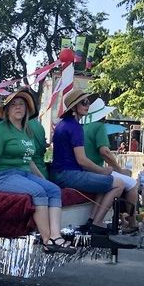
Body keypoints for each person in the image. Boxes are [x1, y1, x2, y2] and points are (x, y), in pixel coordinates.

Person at [0, 89, 75, 254]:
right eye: (13, 104)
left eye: (21, 104)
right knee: (38, 191)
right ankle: (47, 240)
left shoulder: (27, 130)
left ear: (27, 109)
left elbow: (29, 162)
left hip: (23, 173)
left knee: (53, 189)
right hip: (0, 175)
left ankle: (56, 236)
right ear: (7, 110)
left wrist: (44, 179)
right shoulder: (0, 129)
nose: (18, 107)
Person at [50, 88, 125, 235]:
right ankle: (97, 222)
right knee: (119, 184)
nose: (87, 105)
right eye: (83, 102)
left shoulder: (62, 124)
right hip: (69, 174)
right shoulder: (76, 127)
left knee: (105, 181)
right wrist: (104, 170)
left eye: (88, 102)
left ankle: (92, 222)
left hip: (59, 173)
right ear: (73, 107)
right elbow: (82, 161)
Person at [82, 98, 139, 233]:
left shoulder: (82, 126)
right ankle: (132, 222)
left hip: (83, 169)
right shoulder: (99, 127)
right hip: (95, 169)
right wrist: (120, 170)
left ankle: (113, 219)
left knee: (110, 184)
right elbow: (105, 152)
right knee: (131, 183)